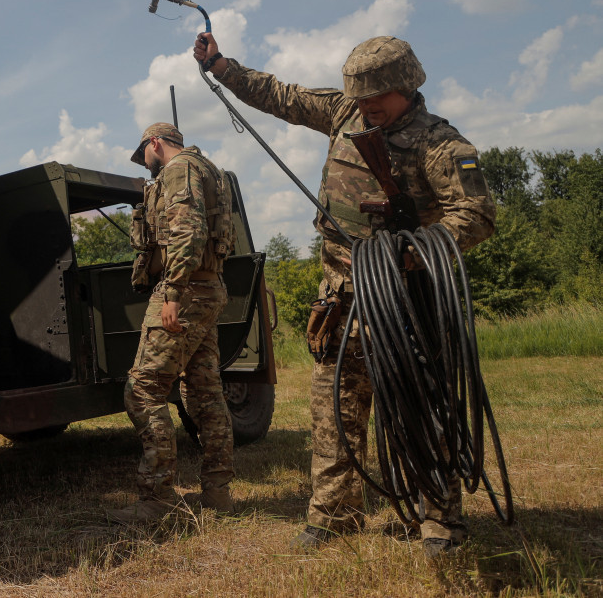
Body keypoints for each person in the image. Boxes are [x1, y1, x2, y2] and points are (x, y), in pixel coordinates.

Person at [192, 33, 496, 556]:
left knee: (426, 411)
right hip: (343, 303)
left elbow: (477, 215)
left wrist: (412, 250)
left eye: (375, 99)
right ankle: (333, 515)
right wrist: (221, 65)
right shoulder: (343, 114)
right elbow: (280, 95)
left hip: (411, 304)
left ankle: (439, 521)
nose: (366, 108)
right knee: (334, 411)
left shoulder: (441, 144)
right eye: (359, 98)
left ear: (406, 86)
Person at [107, 122, 237, 523]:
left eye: (143, 152)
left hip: (187, 289)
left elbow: (188, 231)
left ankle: (157, 498)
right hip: (209, 286)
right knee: (204, 391)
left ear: (155, 143)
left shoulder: (178, 170)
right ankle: (217, 493)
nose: (145, 162)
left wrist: (172, 291)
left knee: (143, 389)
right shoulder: (209, 168)